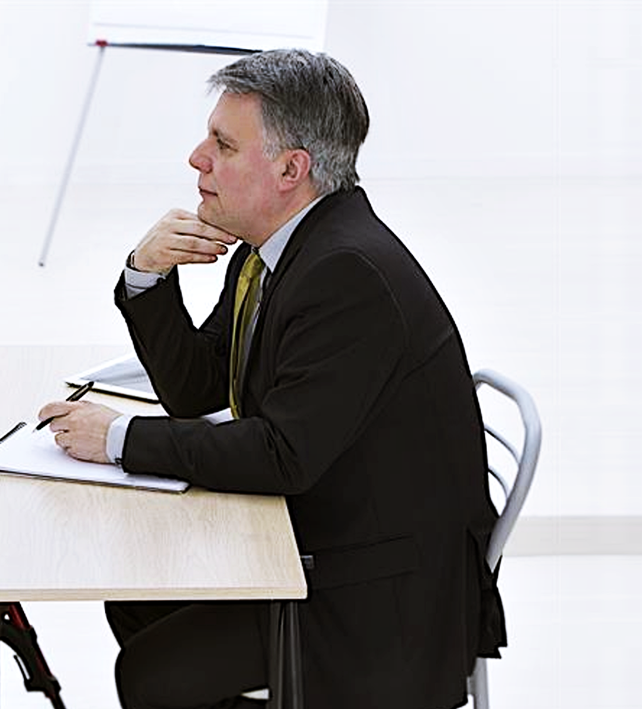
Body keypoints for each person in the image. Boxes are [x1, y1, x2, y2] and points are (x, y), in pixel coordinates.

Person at [37, 49, 505, 709]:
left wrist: (117, 438)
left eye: (223, 144)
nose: (197, 158)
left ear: (292, 169)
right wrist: (147, 274)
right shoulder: (274, 247)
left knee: (150, 672)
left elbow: (281, 454)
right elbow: (200, 387)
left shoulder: (348, 275)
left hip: (378, 602)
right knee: (137, 599)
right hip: (318, 542)